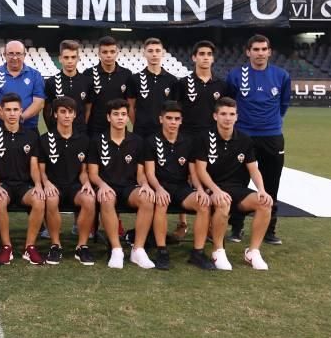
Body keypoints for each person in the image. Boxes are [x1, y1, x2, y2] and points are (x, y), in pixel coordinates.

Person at [192, 97, 274, 271]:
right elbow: (200, 170)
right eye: (223, 114)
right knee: (223, 202)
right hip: (212, 187)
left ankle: (253, 251)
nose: (227, 118)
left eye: (231, 114)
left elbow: (253, 169)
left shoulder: (244, 140)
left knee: (265, 203)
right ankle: (218, 251)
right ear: (215, 116)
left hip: (237, 189)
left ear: (237, 117)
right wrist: (215, 190)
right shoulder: (204, 137)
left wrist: (261, 190)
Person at [225, 34, 290, 245]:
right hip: (243, 137)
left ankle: (270, 230)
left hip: (271, 137)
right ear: (248, 52)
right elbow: (230, 103)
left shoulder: (281, 75)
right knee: (238, 182)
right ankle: (236, 227)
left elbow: (283, 105)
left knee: (271, 184)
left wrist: (270, 123)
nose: (260, 53)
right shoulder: (236, 75)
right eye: (256, 49)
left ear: (269, 52)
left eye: (264, 49)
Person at [142, 101, 215, 271]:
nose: (173, 122)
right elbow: (150, 173)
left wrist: (199, 190)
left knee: (204, 204)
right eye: (169, 118)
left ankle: (197, 253)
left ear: (181, 121)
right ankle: (162, 251)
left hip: (181, 187)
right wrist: (159, 189)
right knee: (161, 202)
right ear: (161, 119)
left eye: (176, 118)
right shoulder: (151, 141)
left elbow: (193, 173)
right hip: (159, 186)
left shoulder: (189, 142)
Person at [87, 99, 156, 269]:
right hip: (106, 186)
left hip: (129, 188)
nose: (120, 118)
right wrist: (102, 185)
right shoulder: (97, 140)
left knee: (147, 198)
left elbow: (140, 174)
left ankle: (138, 250)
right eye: (116, 114)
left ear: (127, 118)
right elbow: (93, 174)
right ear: (108, 117)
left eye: (123, 114)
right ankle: (116, 249)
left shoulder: (138, 141)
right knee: (106, 198)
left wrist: (145, 185)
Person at [170, 40, 227, 240]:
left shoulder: (221, 85)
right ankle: (182, 223)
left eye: (208, 54)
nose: (205, 57)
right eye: (201, 53)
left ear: (213, 58)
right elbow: (175, 111)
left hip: (211, 140)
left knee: (209, 178)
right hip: (186, 138)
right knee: (184, 178)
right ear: (194, 57)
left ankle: (210, 224)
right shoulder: (182, 83)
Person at [0, 93, 47, 265]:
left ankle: (30, 247)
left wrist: (37, 184)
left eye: (15, 109)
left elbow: (34, 166)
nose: (12, 113)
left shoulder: (31, 136)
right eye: (8, 110)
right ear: (2, 112)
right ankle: (6, 246)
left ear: (21, 111)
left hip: (24, 186)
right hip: (3, 185)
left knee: (39, 200)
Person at [38, 97, 97, 266]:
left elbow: (83, 171)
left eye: (70, 112)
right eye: (62, 112)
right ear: (55, 114)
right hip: (53, 184)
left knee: (89, 199)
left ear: (75, 115)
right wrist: (46, 182)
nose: (66, 116)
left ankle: (82, 246)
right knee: (50, 199)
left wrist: (86, 182)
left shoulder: (84, 140)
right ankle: (55, 245)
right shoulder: (44, 139)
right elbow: (40, 170)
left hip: (74, 186)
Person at [0, 40, 45, 132]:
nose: (15, 57)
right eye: (11, 53)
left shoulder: (35, 75)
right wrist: (8, 118)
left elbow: (39, 103)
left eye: (18, 54)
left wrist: (21, 118)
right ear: (4, 55)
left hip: (28, 128)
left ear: (24, 55)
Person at [126, 37, 178, 140]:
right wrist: (133, 128)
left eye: (157, 51)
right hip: (141, 132)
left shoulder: (172, 80)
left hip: (163, 132)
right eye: (150, 51)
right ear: (144, 53)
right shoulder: (134, 79)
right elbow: (130, 107)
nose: (154, 54)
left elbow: (174, 109)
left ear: (162, 53)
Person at [85, 36, 132, 139]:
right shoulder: (88, 74)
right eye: (105, 52)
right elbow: (86, 106)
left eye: (112, 52)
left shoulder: (126, 74)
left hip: (119, 129)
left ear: (117, 53)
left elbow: (130, 104)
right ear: (99, 54)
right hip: (95, 130)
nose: (109, 55)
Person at [43, 40, 91, 132]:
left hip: (80, 133)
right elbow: (47, 111)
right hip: (58, 133)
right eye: (66, 57)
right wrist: (52, 129)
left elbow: (88, 109)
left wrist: (82, 125)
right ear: (60, 59)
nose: (70, 61)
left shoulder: (87, 81)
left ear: (78, 58)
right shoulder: (51, 82)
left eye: (73, 57)